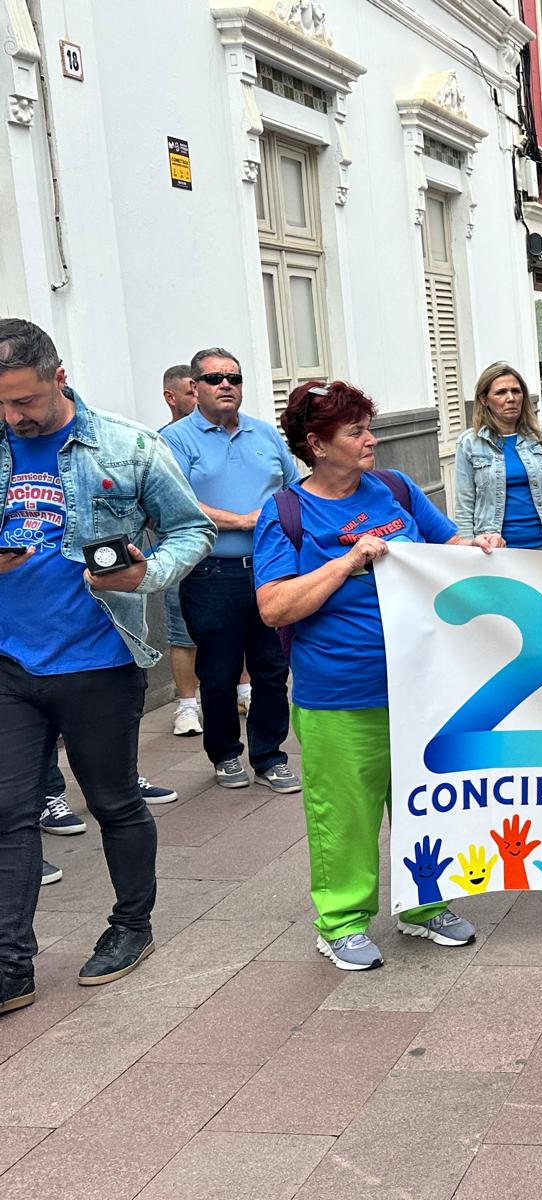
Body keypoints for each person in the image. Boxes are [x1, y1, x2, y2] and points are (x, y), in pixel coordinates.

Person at [1, 318, 215, 1010]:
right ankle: (10, 965)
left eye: (25, 401)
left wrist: (148, 574)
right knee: (8, 814)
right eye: (1, 404)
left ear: (59, 378)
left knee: (114, 801)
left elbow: (193, 529)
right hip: (9, 664)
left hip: (98, 659)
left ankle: (131, 927)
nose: (13, 417)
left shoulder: (129, 445)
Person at [253, 380, 499, 971]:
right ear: (316, 444)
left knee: (426, 803)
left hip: (420, 686)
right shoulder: (286, 512)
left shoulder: (395, 489)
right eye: (356, 432)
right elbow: (274, 607)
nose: (371, 440)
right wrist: (347, 561)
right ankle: (341, 921)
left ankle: (425, 903)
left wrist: (478, 546)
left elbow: (446, 548)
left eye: (369, 428)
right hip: (339, 692)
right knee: (345, 814)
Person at [160, 347, 301, 794]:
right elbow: (176, 503)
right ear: (194, 386)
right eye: (215, 378)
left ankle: (269, 756)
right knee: (219, 673)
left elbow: (294, 491)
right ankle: (224, 754)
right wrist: (242, 521)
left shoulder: (265, 433)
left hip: (272, 570)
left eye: (234, 378)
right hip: (211, 574)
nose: (226, 385)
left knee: (272, 669)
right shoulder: (176, 439)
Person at [454, 362, 542, 555]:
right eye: (501, 392)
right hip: (496, 551)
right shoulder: (470, 443)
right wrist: (469, 554)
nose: (511, 398)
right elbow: (464, 506)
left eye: (516, 391)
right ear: (484, 399)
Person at [156, 364, 203, 737]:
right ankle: (187, 705)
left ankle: (244, 691)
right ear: (170, 397)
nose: (199, 397)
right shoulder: (159, 443)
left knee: (240, 626)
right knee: (181, 631)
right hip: (179, 550)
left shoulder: (219, 435)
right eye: (191, 391)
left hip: (229, 551)